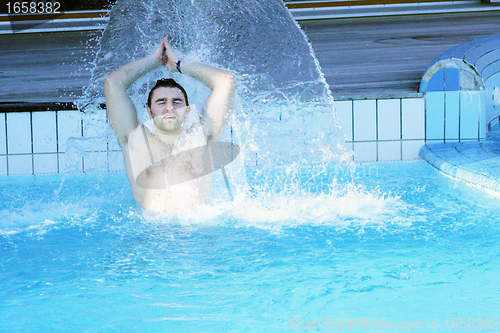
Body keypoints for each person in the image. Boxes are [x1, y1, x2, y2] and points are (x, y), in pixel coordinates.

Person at [104, 37, 236, 212]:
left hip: (196, 234)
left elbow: (226, 81)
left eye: (177, 102)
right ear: (150, 112)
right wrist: (153, 61)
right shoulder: (135, 141)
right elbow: (113, 83)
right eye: (161, 102)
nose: (169, 107)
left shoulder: (201, 137)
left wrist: (179, 65)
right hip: (150, 235)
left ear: (188, 110)